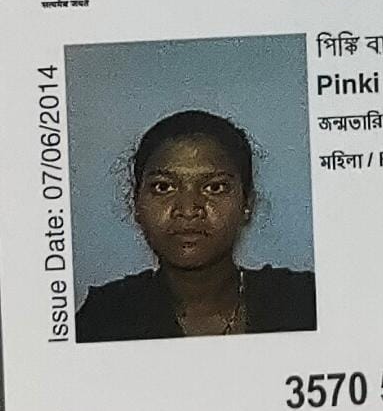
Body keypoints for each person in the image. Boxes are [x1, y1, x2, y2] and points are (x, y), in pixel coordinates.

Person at [76, 110, 316, 342]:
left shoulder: (303, 302)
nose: (189, 209)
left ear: (247, 203)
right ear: (136, 203)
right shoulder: (105, 317)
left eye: (215, 187)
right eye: (163, 187)